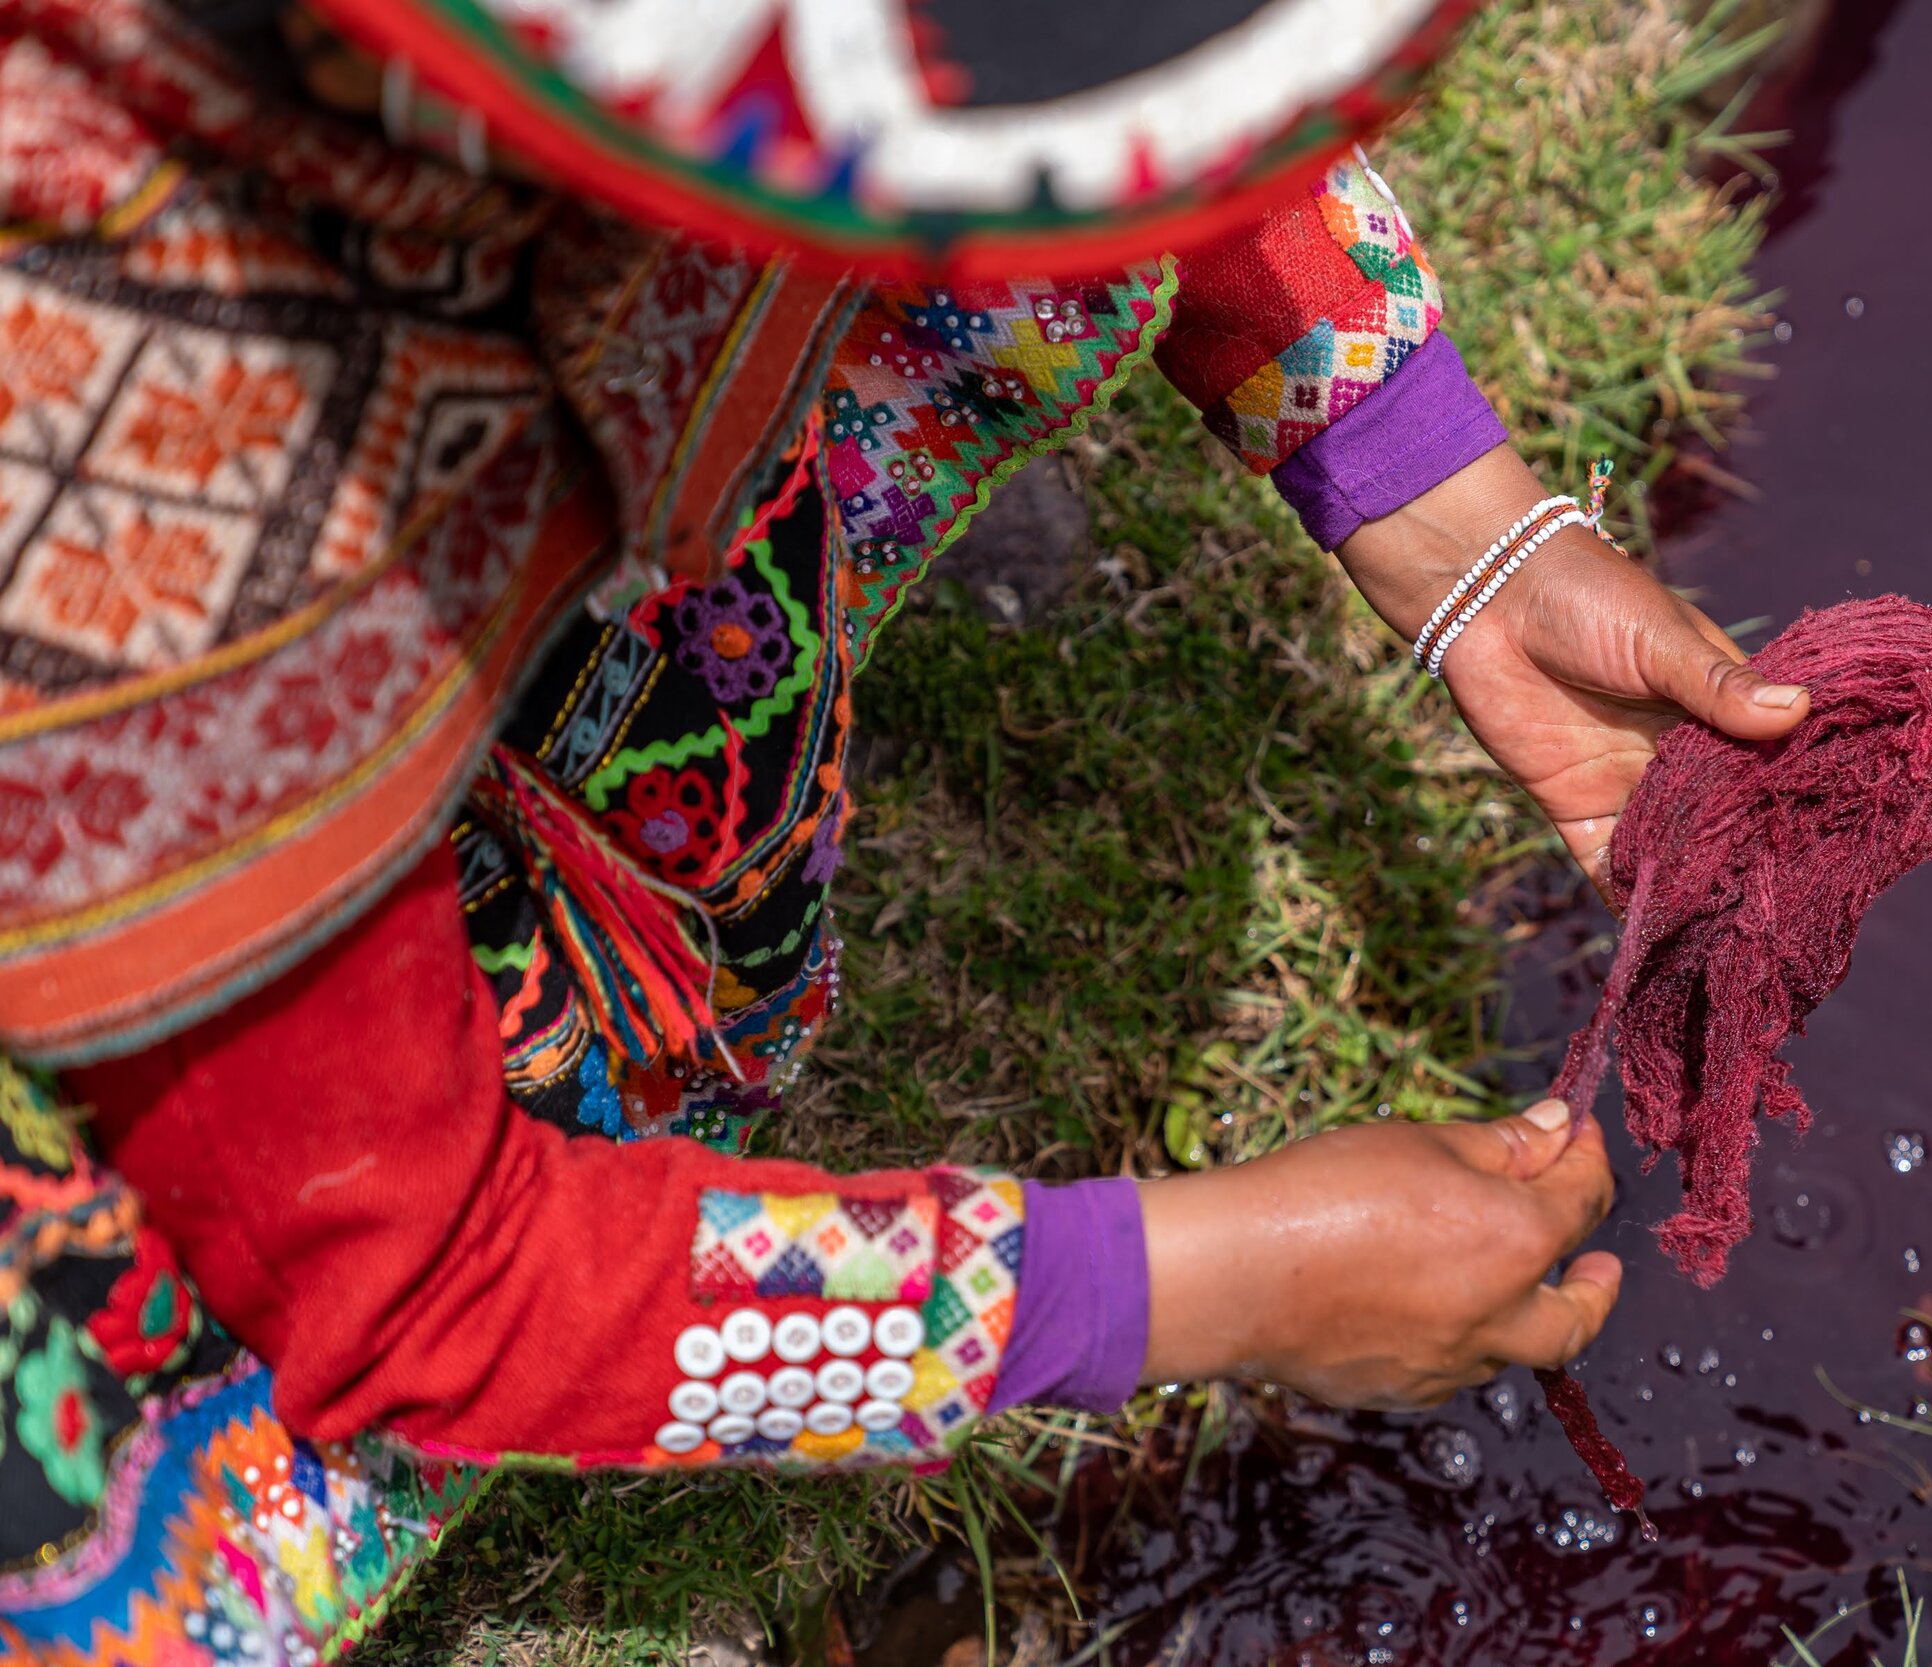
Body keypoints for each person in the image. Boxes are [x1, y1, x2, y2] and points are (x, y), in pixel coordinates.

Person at [0, 0, 1809, 1657]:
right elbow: (405, 1272)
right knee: (169, 1449)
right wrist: (1192, 1285)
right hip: (136, 720)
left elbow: (1092, 71)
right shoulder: (116, 455)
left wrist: (1450, 521)